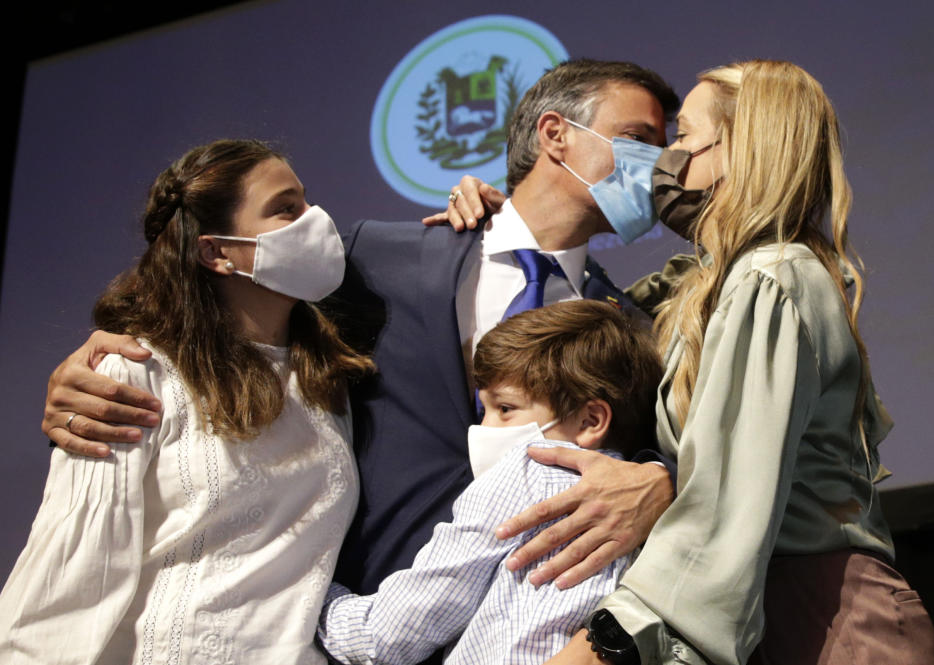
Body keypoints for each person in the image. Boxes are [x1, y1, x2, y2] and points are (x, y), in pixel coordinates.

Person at [39, 60, 681, 641]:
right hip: (358, 626)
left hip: (524, 631)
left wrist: (659, 480)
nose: (656, 166)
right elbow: (229, 318)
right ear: (555, 134)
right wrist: (93, 367)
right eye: (639, 140)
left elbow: (650, 454)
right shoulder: (379, 255)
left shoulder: (629, 328)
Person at [445, 60, 934, 665]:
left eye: (681, 140)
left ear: (742, 149)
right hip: (764, 617)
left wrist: (595, 651)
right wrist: (498, 226)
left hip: (823, 623)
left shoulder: (770, 278)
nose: (662, 166)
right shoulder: (712, 285)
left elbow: (719, 517)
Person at [0, 139, 374, 664]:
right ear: (215, 251)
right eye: (285, 208)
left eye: (306, 202)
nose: (315, 221)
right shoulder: (133, 371)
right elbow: (72, 580)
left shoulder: (326, 378)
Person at [317, 300, 663, 665]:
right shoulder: (661, 510)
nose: (484, 430)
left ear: (591, 421)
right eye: (484, 410)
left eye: (506, 409)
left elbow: (389, 636)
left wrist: (317, 598)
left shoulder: (527, 474)